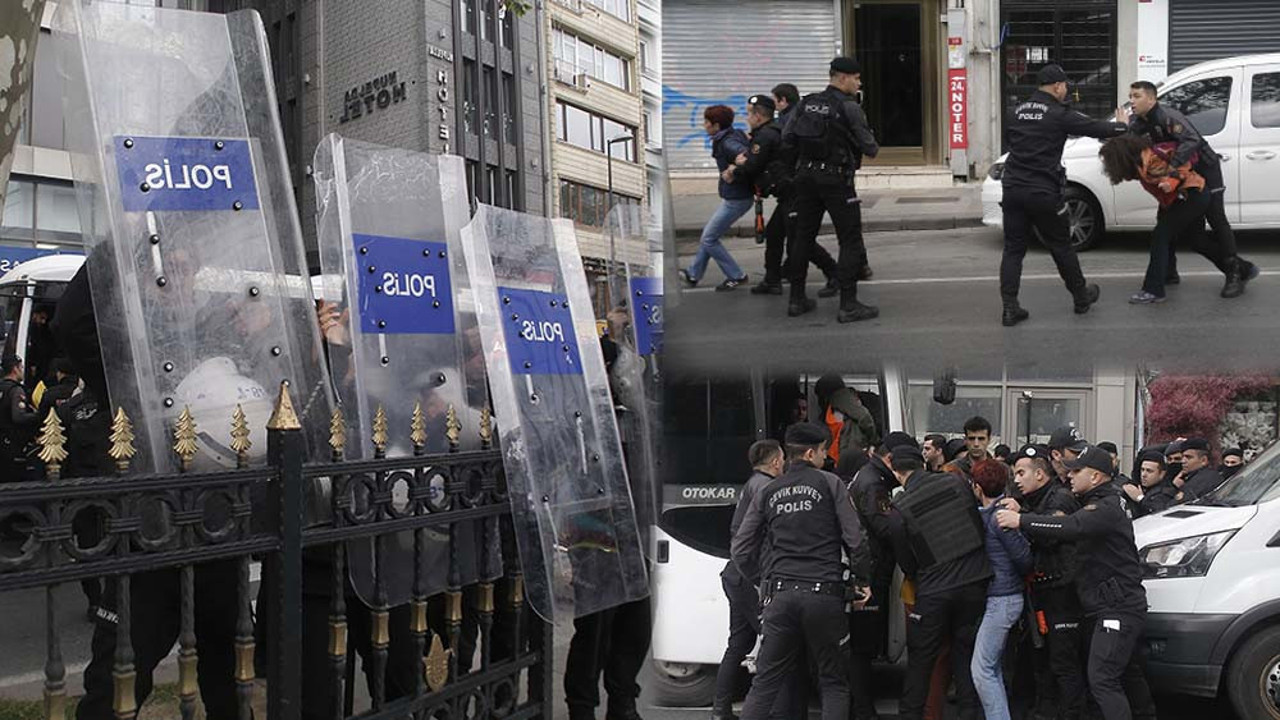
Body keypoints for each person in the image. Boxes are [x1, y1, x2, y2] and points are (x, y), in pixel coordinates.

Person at [996, 445, 1157, 720]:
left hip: (1117, 607)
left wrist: (1020, 520)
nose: (1069, 476)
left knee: (1103, 678)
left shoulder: (1105, 506)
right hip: (1110, 604)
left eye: (1077, 471)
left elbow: (1070, 527)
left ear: (1095, 477)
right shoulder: (1102, 501)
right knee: (1126, 673)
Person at [731, 422, 872, 720]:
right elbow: (856, 539)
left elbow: (740, 549)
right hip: (824, 596)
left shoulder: (768, 490)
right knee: (833, 681)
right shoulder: (831, 483)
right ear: (810, 453)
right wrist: (862, 581)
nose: (826, 457)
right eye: (823, 451)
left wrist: (763, 580)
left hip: (780, 596)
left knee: (765, 683)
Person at [999, 63, 1128, 326]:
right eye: (1065, 86)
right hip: (1043, 192)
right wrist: (1122, 126)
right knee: (1061, 246)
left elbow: (1012, 143)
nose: (1067, 90)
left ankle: (1009, 308)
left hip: (1013, 189)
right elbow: (1096, 128)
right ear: (1057, 86)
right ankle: (1081, 297)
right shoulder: (1058, 114)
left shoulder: (1014, 112)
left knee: (1013, 250)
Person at [1123, 80, 1259, 299]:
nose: (1132, 101)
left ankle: (1234, 273)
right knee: (1180, 229)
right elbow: (1126, 144)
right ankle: (1168, 272)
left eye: (1136, 96)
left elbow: (1192, 139)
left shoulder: (1167, 116)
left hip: (1204, 169)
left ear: (1152, 99)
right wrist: (1121, 128)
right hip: (1181, 175)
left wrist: (1171, 169)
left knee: (1216, 219)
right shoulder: (1137, 122)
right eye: (1130, 96)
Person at [889, 444, 992, 720]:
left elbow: (906, 560)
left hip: (934, 591)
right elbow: (975, 523)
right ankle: (968, 714)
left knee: (921, 663)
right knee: (966, 656)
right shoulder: (956, 483)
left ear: (896, 473)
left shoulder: (899, 508)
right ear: (922, 464)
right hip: (975, 583)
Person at [1096, 132, 1248, 304]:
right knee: (1197, 241)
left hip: (1192, 196)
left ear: (1120, 158)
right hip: (1187, 197)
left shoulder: (1151, 161)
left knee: (1161, 236)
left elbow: (1181, 168)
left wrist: (1171, 182)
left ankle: (1153, 289)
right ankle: (1244, 269)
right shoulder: (1140, 161)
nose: (1109, 167)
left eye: (1110, 162)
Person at [783, 57, 880, 322]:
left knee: (803, 237)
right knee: (849, 240)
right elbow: (870, 148)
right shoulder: (849, 107)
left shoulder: (806, 103)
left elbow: (787, 139)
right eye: (856, 78)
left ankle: (796, 299)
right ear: (842, 78)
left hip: (805, 178)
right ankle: (849, 304)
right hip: (836, 180)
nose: (859, 83)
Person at [712, 440, 801, 720]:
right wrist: (760, 580)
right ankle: (776, 711)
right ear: (775, 462)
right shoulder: (766, 488)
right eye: (783, 458)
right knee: (776, 644)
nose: (785, 463)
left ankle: (720, 710)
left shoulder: (753, 483)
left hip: (734, 574)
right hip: (749, 577)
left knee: (738, 643)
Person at [736, 94, 839, 301]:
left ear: (758, 116)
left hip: (793, 193)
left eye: (749, 114)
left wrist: (737, 168)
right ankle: (772, 279)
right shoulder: (773, 130)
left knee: (800, 240)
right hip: (788, 193)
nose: (747, 118)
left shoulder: (765, 136)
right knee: (774, 235)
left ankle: (834, 273)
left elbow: (752, 166)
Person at [1008, 444, 1085, 720]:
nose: (1016, 480)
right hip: (1042, 592)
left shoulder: (1060, 498)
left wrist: (1021, 519)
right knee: (1041, 660)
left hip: (1063, 593)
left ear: (1040, 474)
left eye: (1021, 473)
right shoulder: (1030, 500)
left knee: (1064, 662)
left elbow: (1052, 534)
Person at [846, 431, 917, 720]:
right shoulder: (874, 483)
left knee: (863, 643)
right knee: (862, 646)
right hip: (870, 572)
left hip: (870, 568)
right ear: (890, 459)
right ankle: (862, 709)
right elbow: (885, 528)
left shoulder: (870, 476)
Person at [970, 459, 1032, 720]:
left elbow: (1024, 558)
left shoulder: (999, 518)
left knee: (981, 669)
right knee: (991, 667)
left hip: (1003, 599)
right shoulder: (995, 513)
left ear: (977, 487)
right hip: (1002, 598)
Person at [680, 105, 753, 291]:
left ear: (716, 125)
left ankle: (736, 276)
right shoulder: (733, 134)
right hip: (735, 196)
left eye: (707, 122)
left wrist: (733, 170)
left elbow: (747, 157)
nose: (704, 125)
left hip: (737, 199)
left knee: (709, 238)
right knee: (709, 235)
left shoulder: (728, 142)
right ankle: (693, 274)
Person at [813, 375, 879, 468]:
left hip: (850, 454)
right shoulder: (835, 407)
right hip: (848, 454)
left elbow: (864, 417)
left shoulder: (841, 397)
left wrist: (874, 441)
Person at [0, 355, 39, 481]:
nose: (22, 371)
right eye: (21, 368)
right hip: (13, 445)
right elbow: (18, 417)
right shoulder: (16, 390)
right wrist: (39, 415)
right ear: (15, 369)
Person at [1120, 450, 1182, 518]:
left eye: (1149, 471)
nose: (1144, 475)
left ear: (1162, 474)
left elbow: (1159, 512)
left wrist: (1140, 498)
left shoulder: (1167, 492)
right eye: (1142, 470)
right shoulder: (1136, 486)